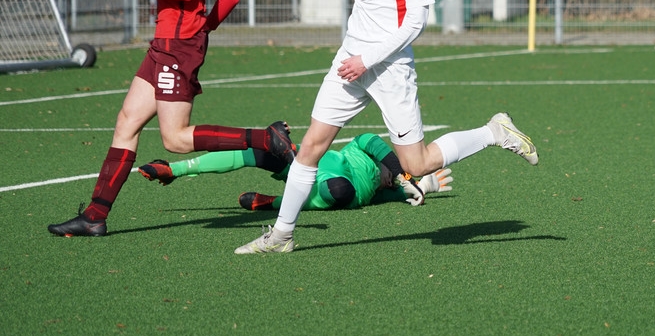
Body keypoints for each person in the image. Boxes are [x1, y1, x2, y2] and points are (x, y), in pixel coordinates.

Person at [235, 0, 537, 254]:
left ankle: (494, 132)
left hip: (389, 67)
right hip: (350, 59)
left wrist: (369, 58)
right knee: (310, 147)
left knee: (417, 164)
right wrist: (356, 54)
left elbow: (416, 21)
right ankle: (281, 236)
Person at [48, 0, 295, 238]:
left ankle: (266, 139)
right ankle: (94, 216)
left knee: (175, 139)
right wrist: (203, 28)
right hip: (172, 42)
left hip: (175, 44)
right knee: (127, 121)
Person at [137, 133, 453, 216]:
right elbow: (373, 141)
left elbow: (398, 195)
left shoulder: (374, 191)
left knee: (340, 192)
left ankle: (273, 202)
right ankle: (175, 169)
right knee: (256, 152)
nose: (390, 180)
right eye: (392, 173)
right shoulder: (364, 149)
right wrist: (404, 174)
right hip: (307, 159)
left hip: (331, 189)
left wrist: (423, 186)